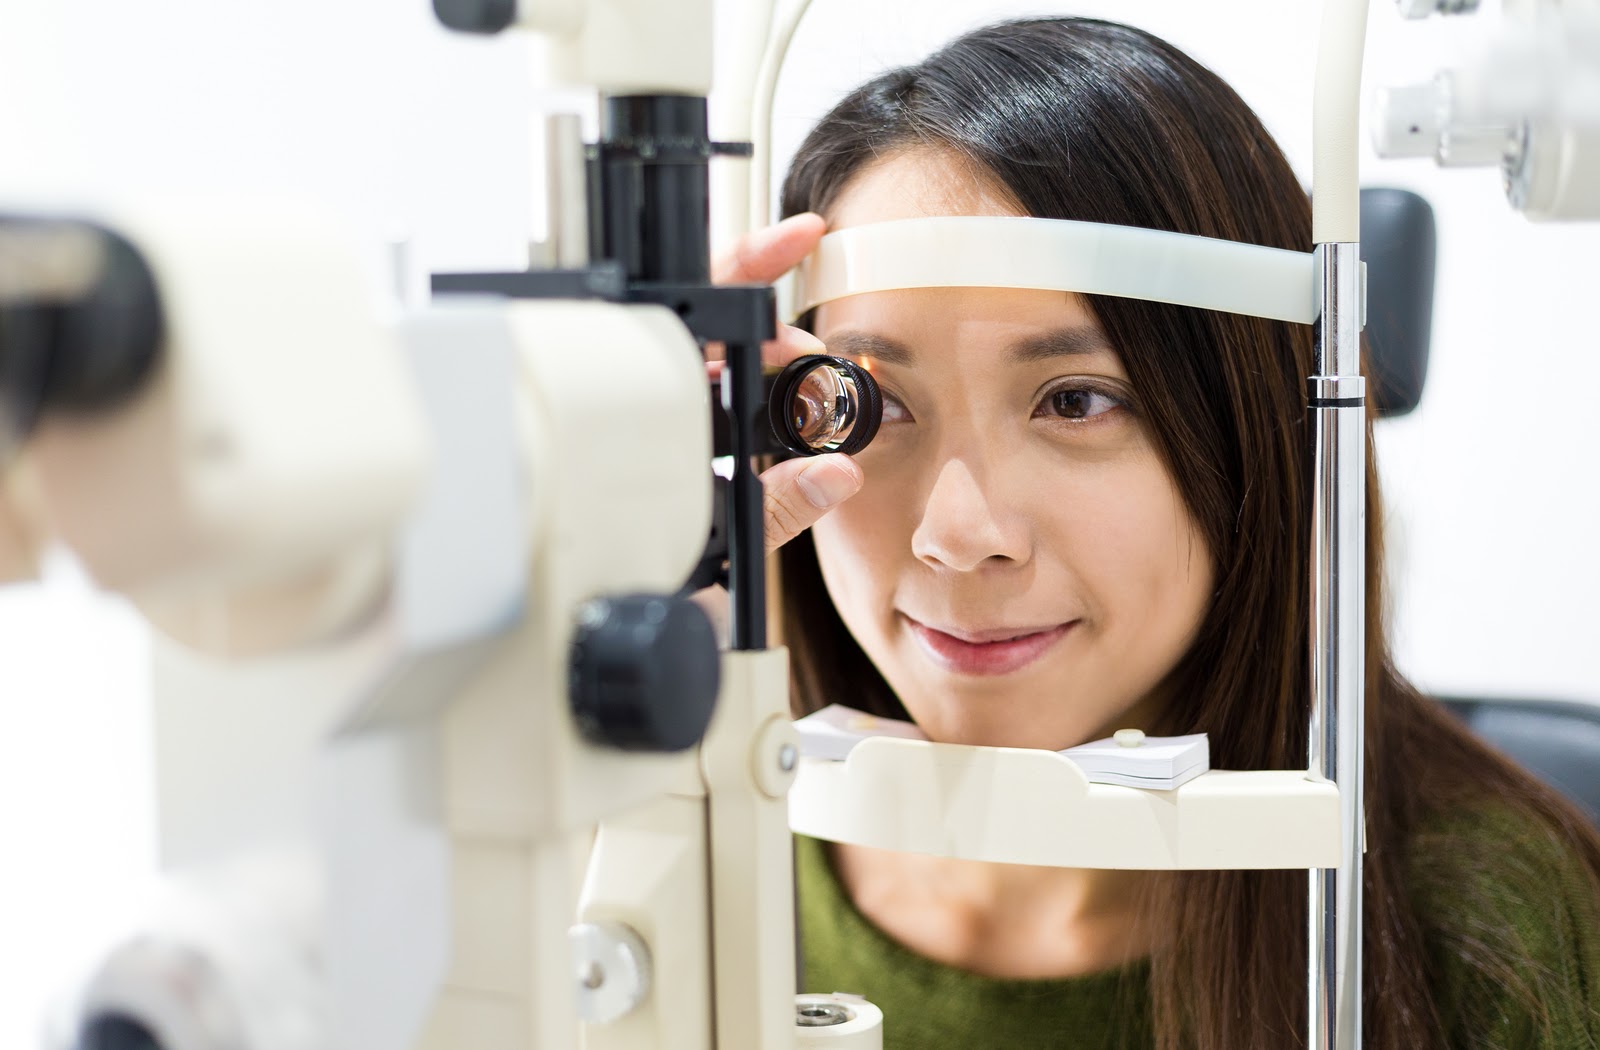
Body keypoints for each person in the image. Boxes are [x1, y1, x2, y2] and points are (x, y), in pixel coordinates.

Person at [712, 16, 1600, 1050]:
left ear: (1254, 436)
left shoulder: (1486, 939)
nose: (957, 536)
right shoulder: (684, 842)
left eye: (1077, 401)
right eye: (868, 404)